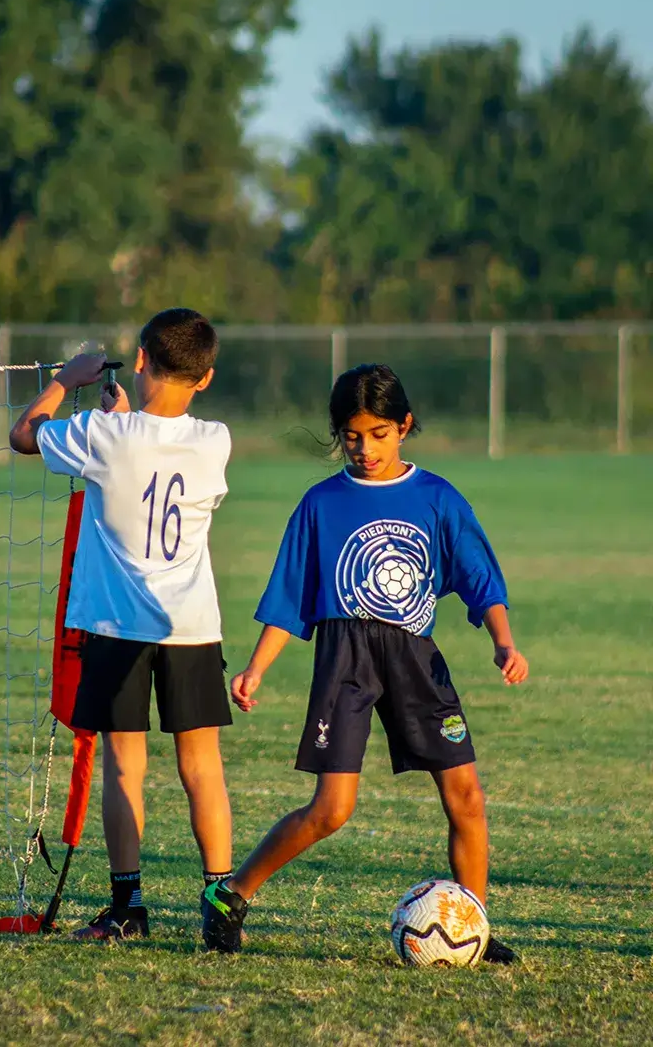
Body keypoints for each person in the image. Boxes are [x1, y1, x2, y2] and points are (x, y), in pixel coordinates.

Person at [201, 363, 528, 961]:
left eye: (379, 433)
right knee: (332, 809)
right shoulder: (321, 503)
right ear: (338, 434)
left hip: (414, 656)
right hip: (344, 656)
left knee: (468, 798)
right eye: (352, 435)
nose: (366, 447)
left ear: (403, 426)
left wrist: (503, 641)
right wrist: (256, 668)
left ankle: (470, 923)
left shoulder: (436, 496)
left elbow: (481, 578)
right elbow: (291, 595)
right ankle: (230, 895)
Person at [10, 308, 234, 941]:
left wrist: (64, 381)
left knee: (124, 765)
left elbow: (25, 435)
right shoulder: (216, 439)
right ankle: (221, 899)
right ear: (206, 377)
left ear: (139, 362)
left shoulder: (102, 436)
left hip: (118, 625)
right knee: (202, 767)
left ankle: (127, 909)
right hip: (190, 624)